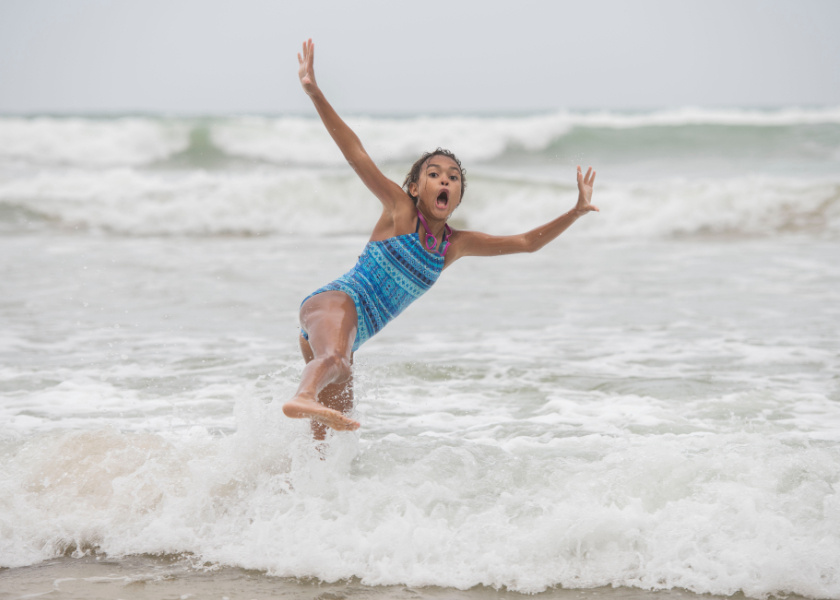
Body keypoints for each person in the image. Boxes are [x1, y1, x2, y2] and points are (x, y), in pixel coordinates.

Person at [282, 39, 598, 439]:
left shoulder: (455, 245)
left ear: (459, 194)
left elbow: (526, 243)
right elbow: (356, 154)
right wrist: (315, 92)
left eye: (453, 176)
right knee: (336, 364)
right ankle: (303, 395)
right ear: (414, 187)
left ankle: (299, 491)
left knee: (330, 437)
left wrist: (575, 211)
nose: (445, 178)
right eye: (434, 173)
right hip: (334, 303)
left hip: (349, 335)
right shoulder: (401, 211)